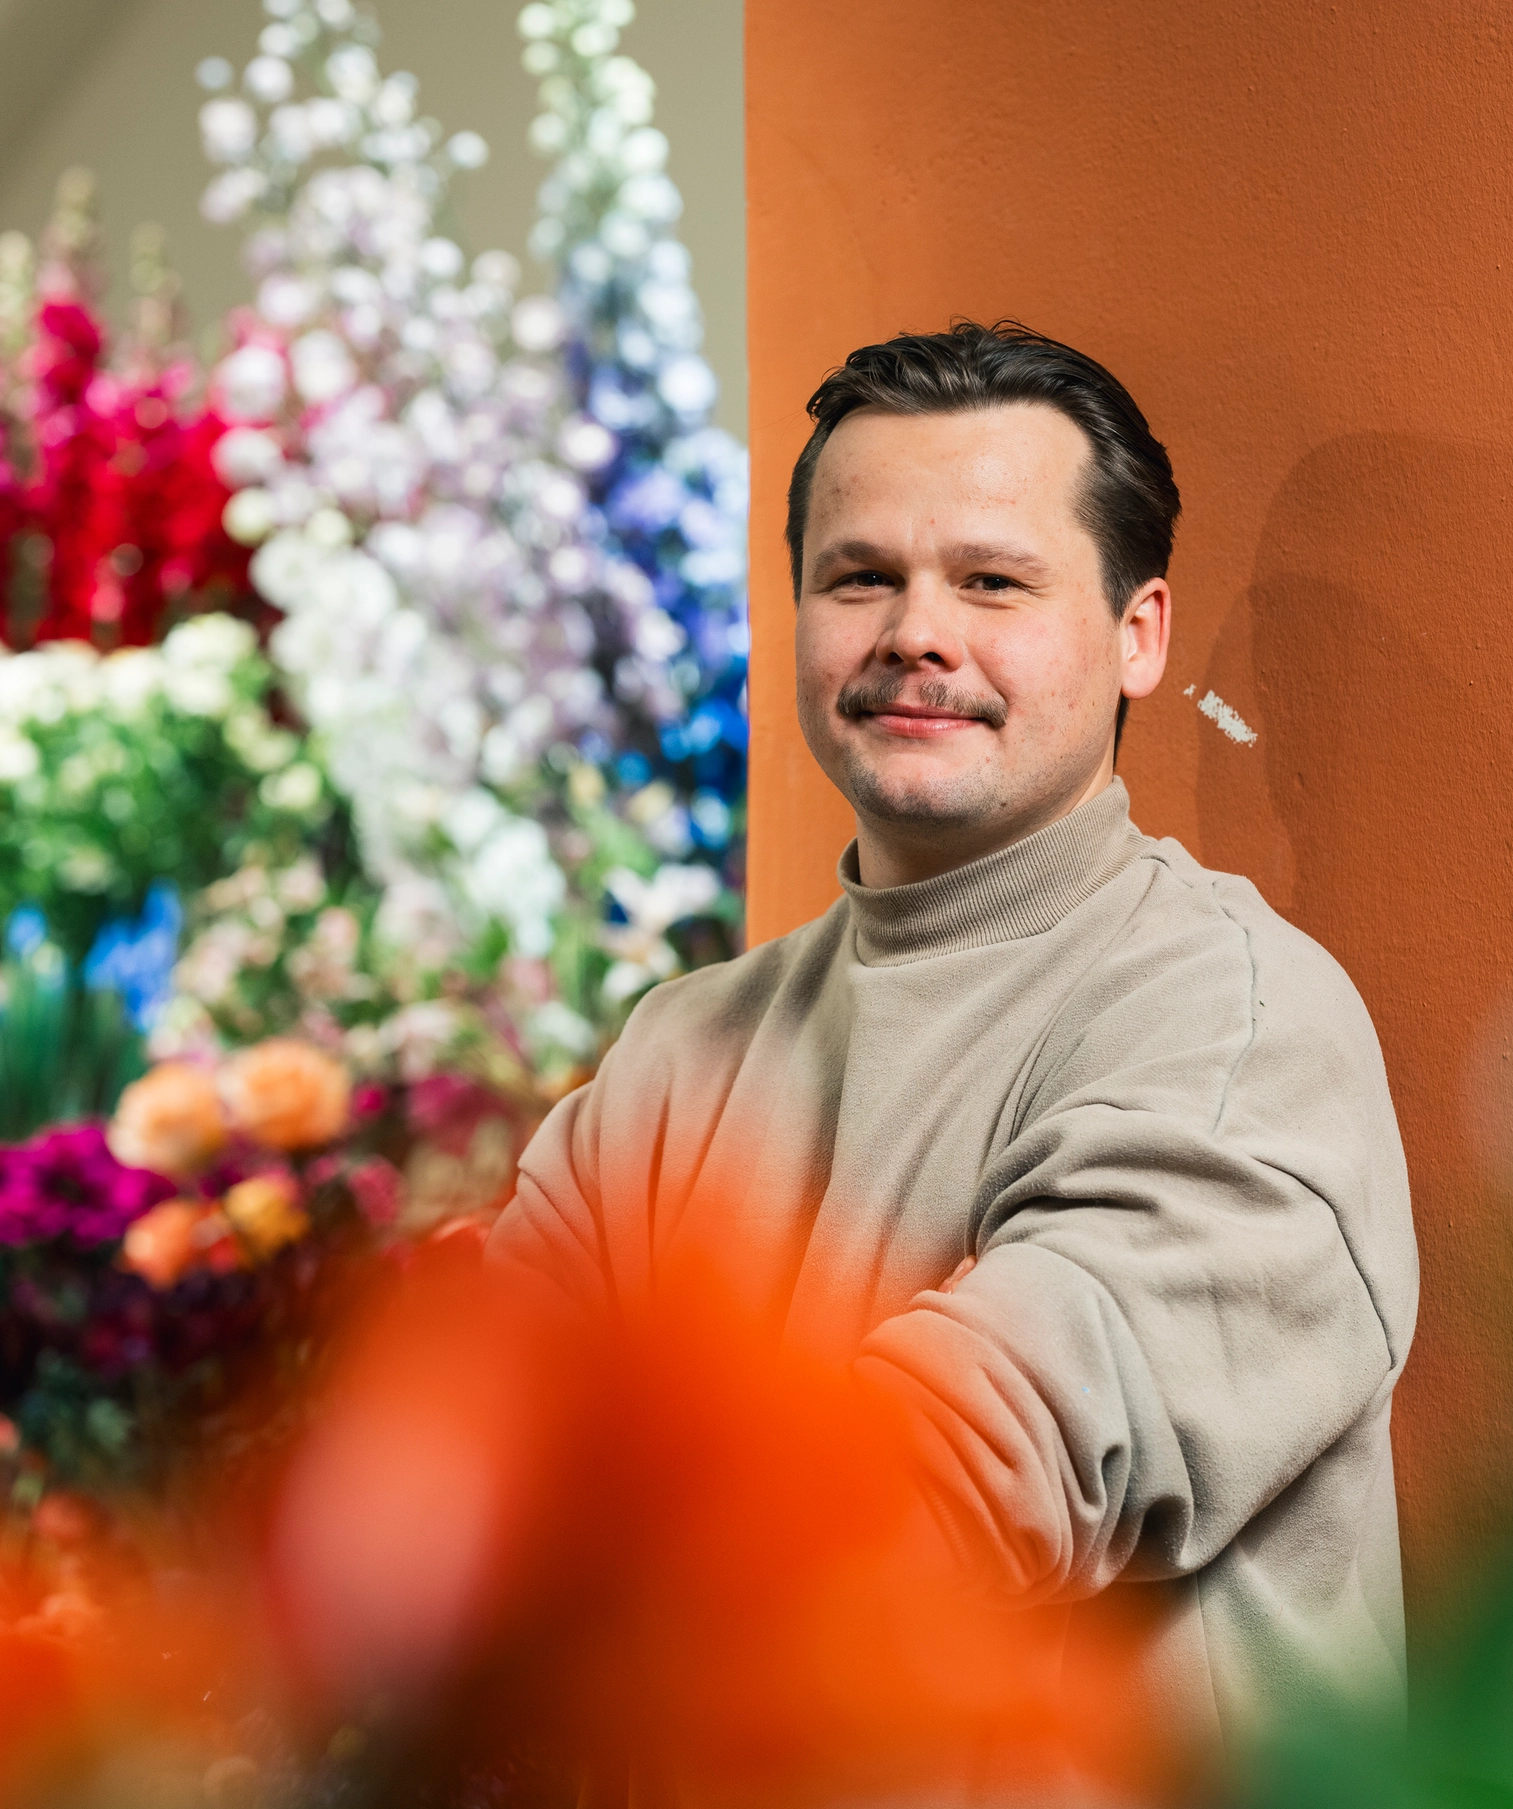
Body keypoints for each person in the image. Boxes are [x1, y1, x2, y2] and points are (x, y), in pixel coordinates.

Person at [488, 320, 1418, 1743]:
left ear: (1136, 635)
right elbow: (464, 1446)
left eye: (993, 582)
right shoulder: (684, 1051)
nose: (917, 631)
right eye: (861, 578)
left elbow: (943, 1491)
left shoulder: (1237, 1024)